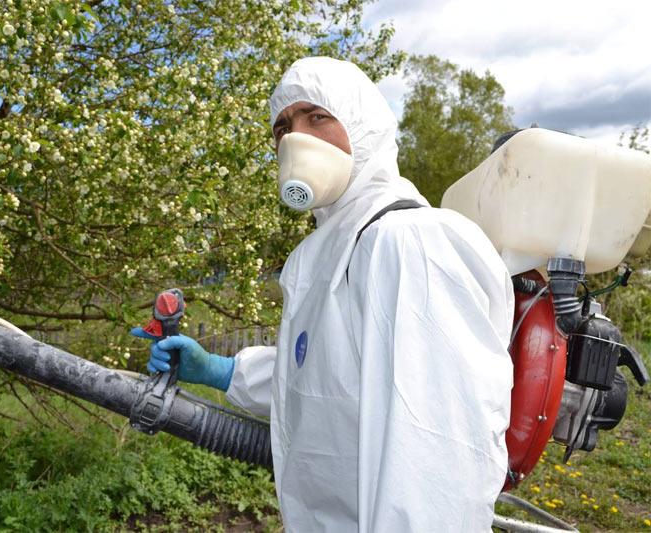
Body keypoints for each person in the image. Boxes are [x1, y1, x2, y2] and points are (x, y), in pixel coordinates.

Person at [132, 57, 514, 532]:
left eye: (317, 117)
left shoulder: (408, 241)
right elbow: (327, 379)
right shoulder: (336, 246)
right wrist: (222, 370)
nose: (296, 139)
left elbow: (437, 458)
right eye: (282, 128)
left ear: (363, 125)